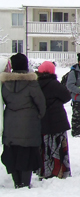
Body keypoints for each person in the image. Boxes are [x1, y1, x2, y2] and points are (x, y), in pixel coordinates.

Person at [1, 53, 46, 188]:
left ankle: (17, 182)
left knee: (13, 152)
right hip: (29, 124)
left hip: (10, 122)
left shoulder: (4, 84)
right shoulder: (31, 83)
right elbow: (41, 104)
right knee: (27, 153)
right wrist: (38, 116)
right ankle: (25, 183)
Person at [37, 61, 72, 179]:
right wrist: (57, 102)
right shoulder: (54, 84)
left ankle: (44, 170)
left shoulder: (36, 84)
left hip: (42, 120)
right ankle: (60, 171)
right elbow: (67, 96)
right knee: (58, 145)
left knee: (44, 145)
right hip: (57, 120)